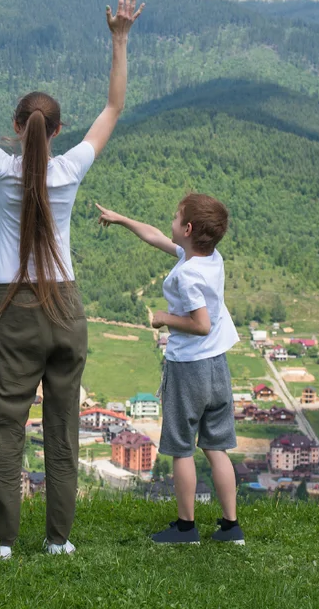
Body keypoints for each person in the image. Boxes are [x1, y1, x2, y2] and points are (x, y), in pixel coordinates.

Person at [0, 0, 143, 558]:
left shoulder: (2, 171)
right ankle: (59, 541)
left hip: (14, 308)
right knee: (63, 431)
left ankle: (2, 540)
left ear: (14, 127)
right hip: (66, 307)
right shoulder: (70, 170)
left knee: (5, 428)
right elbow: (114, 110)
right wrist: (119, 39)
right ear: (57, 131)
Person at [95, 194, 244, 545]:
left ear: (188, 228)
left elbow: (201, 324)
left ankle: (186, 527)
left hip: (189, 369)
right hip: (218, 367)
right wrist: (122, 219)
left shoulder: (189, 274)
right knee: (216, 447)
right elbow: (155, 237)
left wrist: (164, 319)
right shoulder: (209, 259)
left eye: (176, 218)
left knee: (181, 449)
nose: (170, 222)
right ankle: (231, 527)